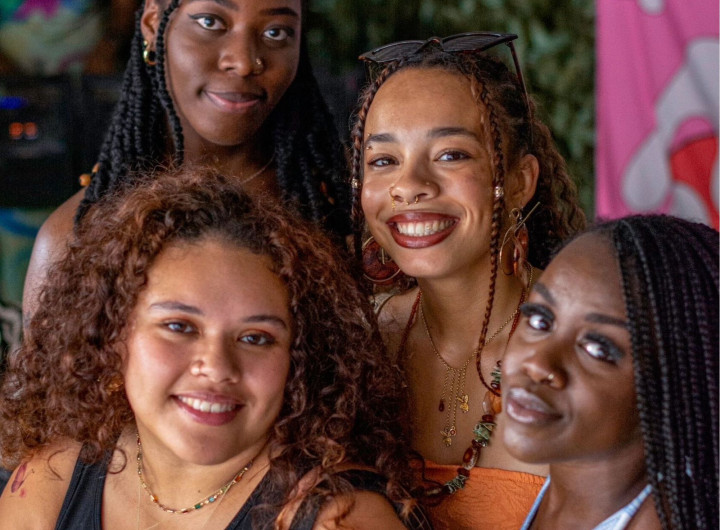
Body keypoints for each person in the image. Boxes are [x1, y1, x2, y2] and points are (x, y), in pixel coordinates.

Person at [0, 165, 430, 529]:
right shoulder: (53, 478)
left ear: (299, 360)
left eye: (255, 338)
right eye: (179, 327)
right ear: (113, 334)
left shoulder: (338, 519)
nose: (218, 366)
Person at [349, 33, 586, 529]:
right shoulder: (356, 343)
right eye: (384, 161)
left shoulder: (588, 344)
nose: (410, 186)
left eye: (451, 155)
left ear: (519, 182)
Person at [22, 0, 350, 319]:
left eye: (276, 32)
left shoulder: (341, 213)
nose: (243, 62)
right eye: (210, 22)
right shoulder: (77, 236)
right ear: (152, 24)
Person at [502, 215, 719, 530]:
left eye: (597, 349)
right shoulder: (572, 488)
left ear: (677, 389)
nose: (538, 364)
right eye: (540, 320)